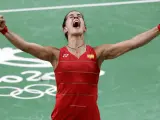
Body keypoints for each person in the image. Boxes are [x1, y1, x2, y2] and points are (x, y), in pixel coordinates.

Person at [0, 10, 160, 120]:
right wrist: (4, 30)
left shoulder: (97, 53)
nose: (75, 17)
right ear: (65, 28)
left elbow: (132, 43)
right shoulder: (55, 55)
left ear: (84, 27)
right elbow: (26, 46)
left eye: (79, 16)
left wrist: (158, 28)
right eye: (71, 17)